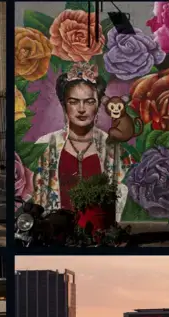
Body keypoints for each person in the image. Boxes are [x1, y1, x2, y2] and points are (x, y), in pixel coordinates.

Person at [33, 62, 127, 218]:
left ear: (98, 106)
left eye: (89, 102)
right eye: (73, 102)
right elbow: (38, 194)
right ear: (64, 107)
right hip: (58, 230)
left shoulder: (112, 146)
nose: (81, 109)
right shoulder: (45, 144)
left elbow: (119, 191)